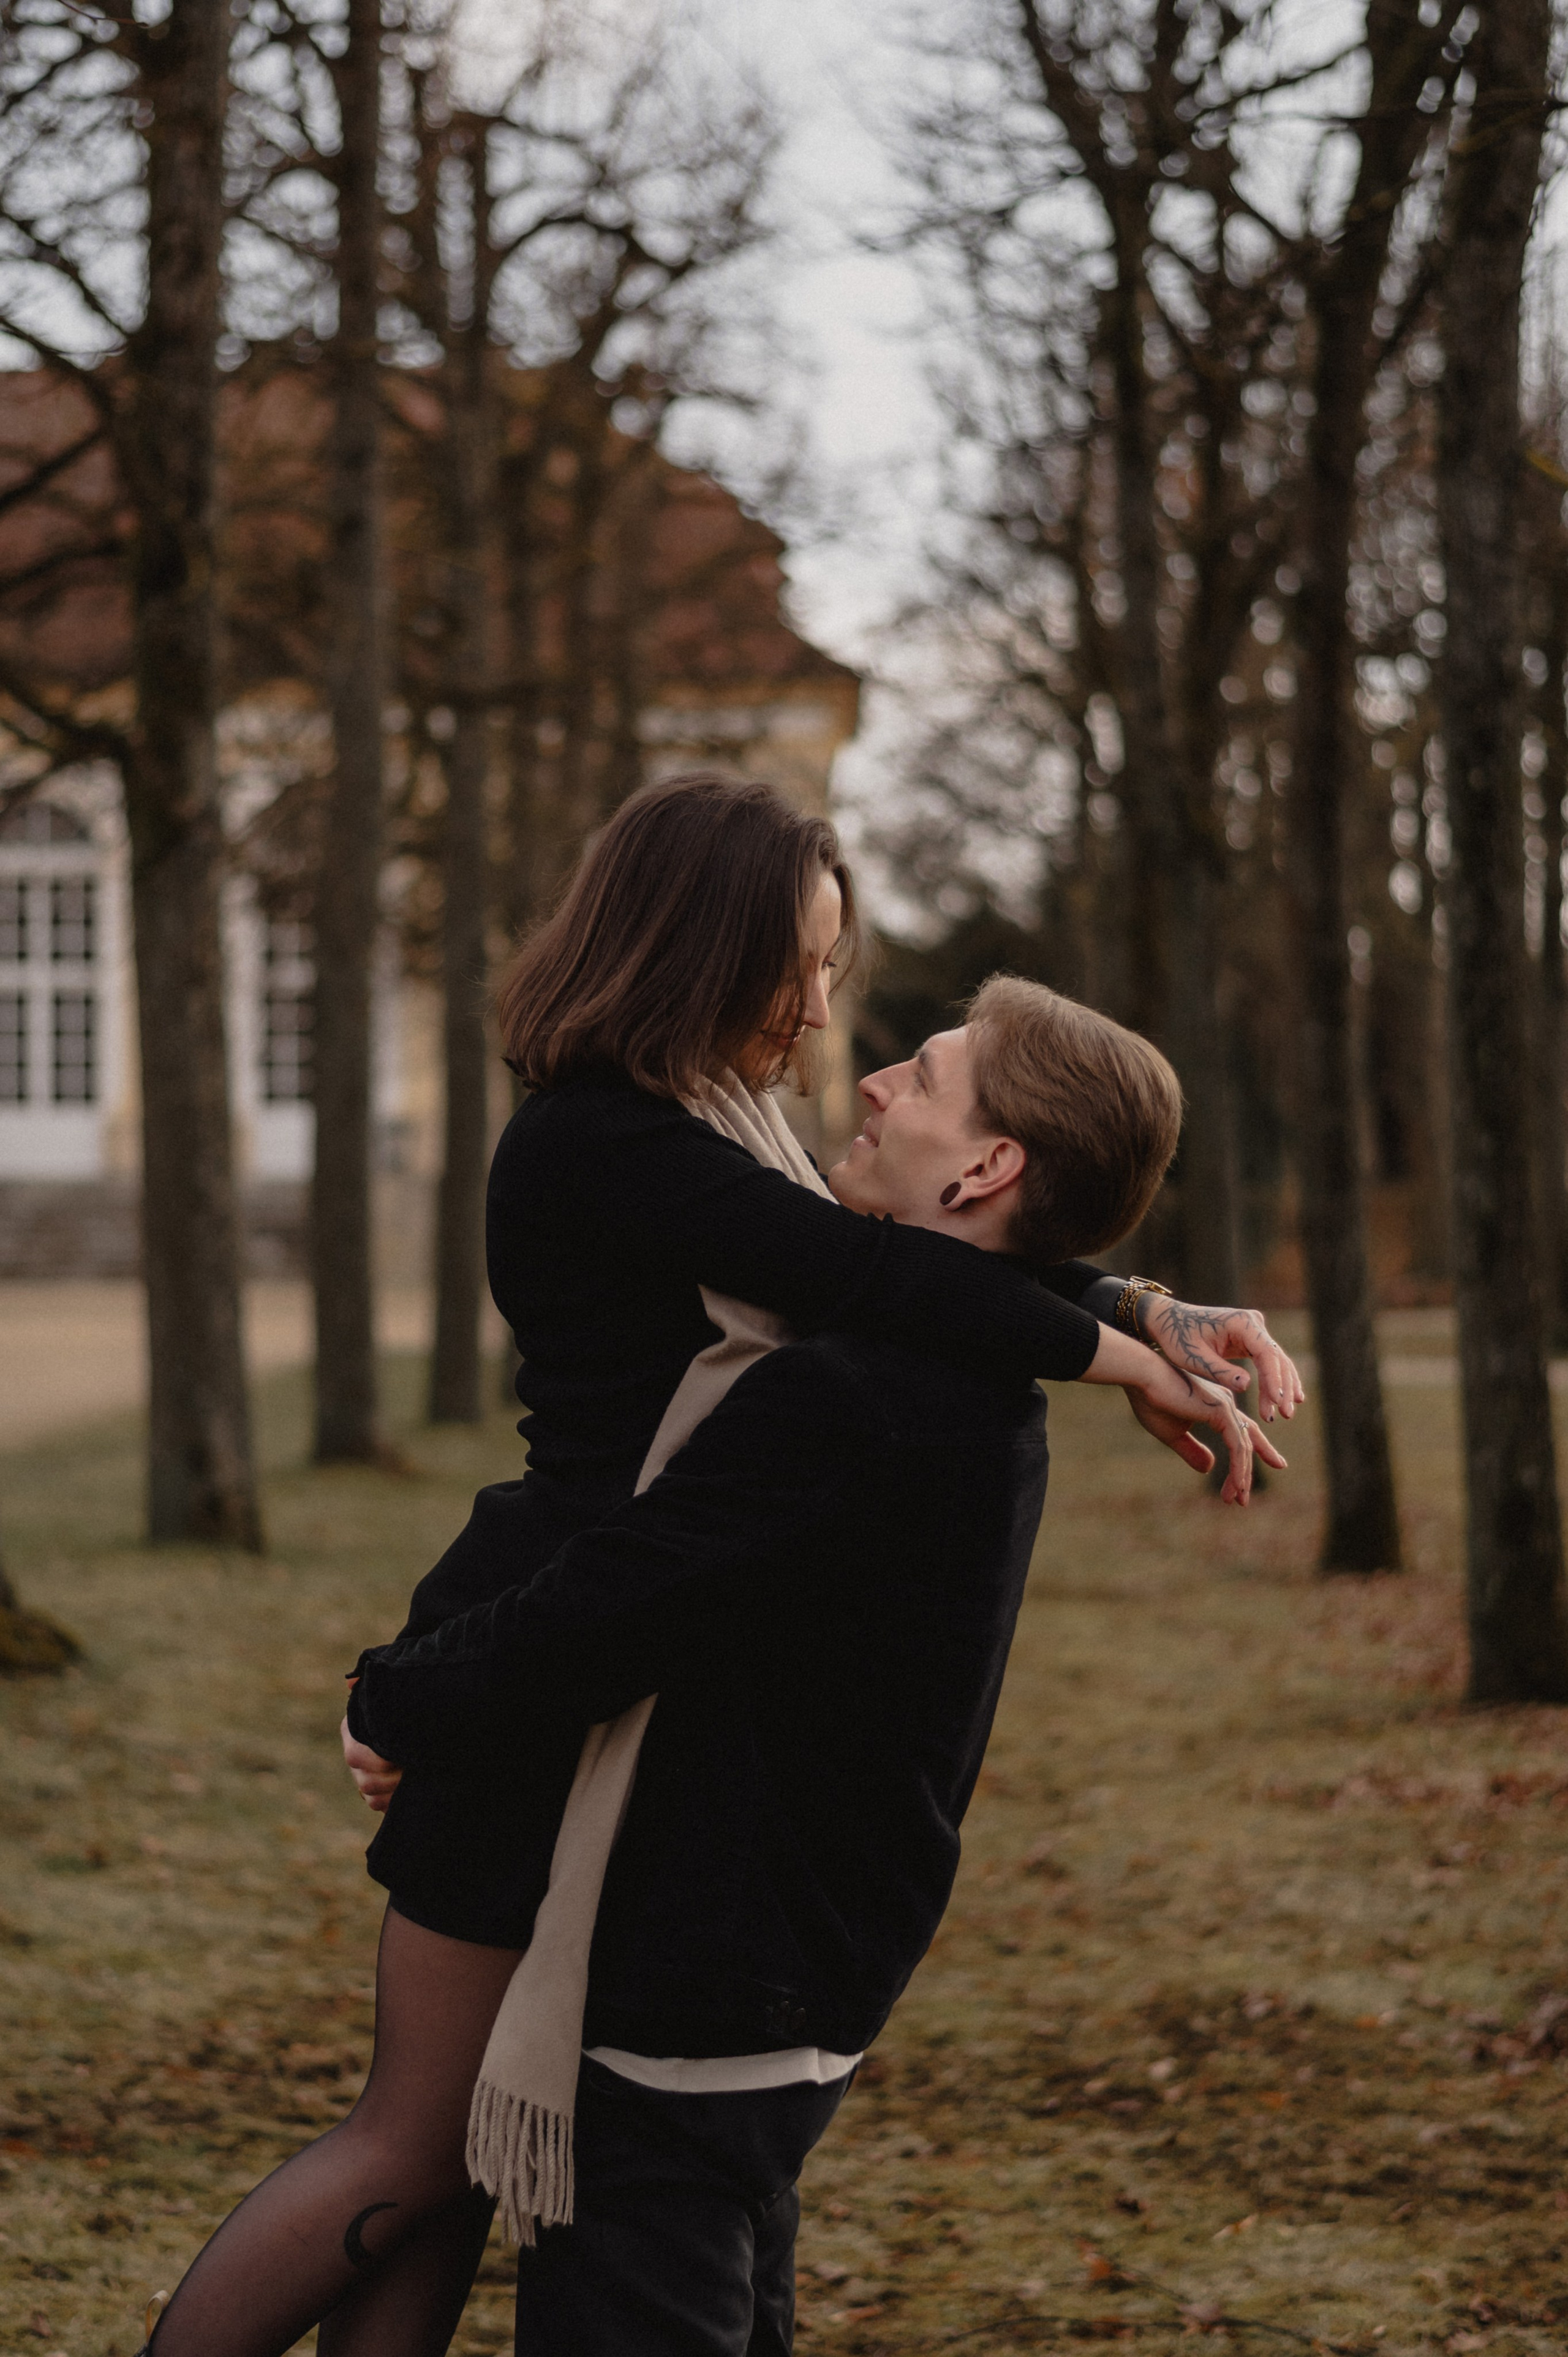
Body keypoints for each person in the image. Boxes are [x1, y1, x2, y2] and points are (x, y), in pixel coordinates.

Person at [138, 774, 1298, 2357]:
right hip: (538, 1651)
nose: (824, 1015)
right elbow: (862, 1265)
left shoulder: (715, 1128)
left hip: (598, 1663)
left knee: (459, 2176)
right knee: (408, 2154)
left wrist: (1142, 1308)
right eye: (802, 966)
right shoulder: (600, 1143)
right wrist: (1123, 1353)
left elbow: (916, 1253)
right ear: (703, 948)